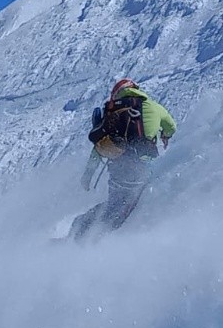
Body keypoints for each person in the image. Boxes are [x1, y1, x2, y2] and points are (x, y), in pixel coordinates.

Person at [68, 77, 176, 240]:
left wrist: (88, 175)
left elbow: (98, 147)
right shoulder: (154, 107)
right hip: (143, 166)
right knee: (128, 206)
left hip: (119, 167)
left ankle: (84, 232)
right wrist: (165, 135)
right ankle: (91, 235)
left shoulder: (113, 113)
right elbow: (171, 126)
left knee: (116, 206)